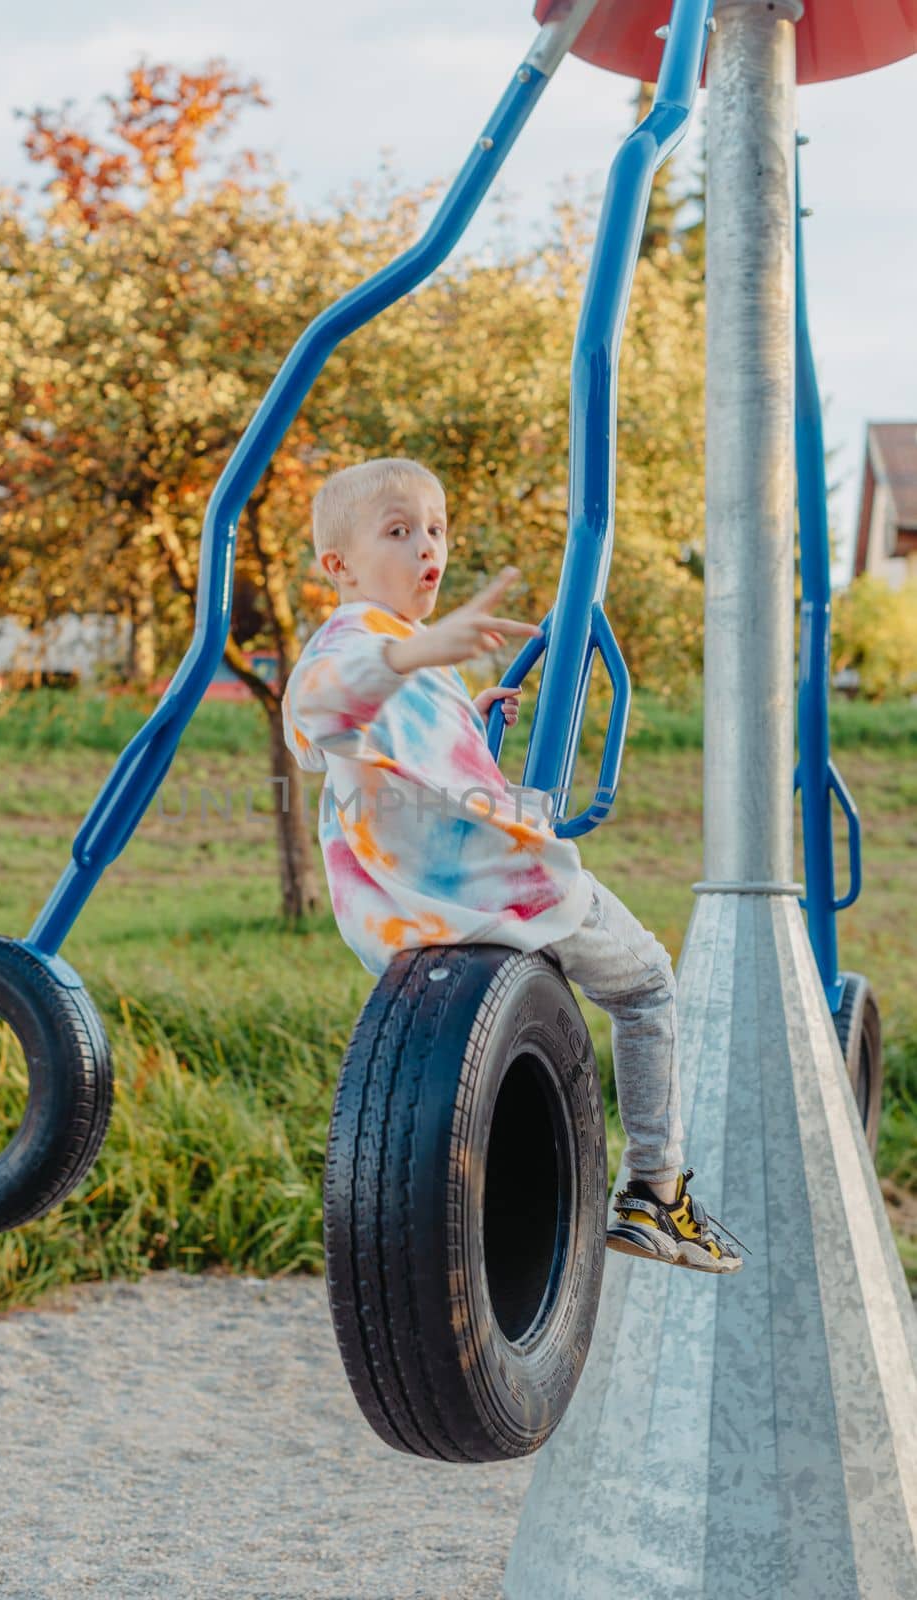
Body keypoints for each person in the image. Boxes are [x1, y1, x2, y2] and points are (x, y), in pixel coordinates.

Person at [282, 456, 746, 1276]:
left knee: (484, 1068)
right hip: (514, 892)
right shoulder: (357, 645)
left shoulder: (409, 659)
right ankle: (655, 1192)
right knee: (646, 986)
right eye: (398, 531)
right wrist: (414, 659)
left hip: (410, 921)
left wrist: (468, 708)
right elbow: (320, 704)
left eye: (436, 529)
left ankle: (506, 1213)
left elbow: (405, 740)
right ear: (339, 567)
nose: (427, 546)